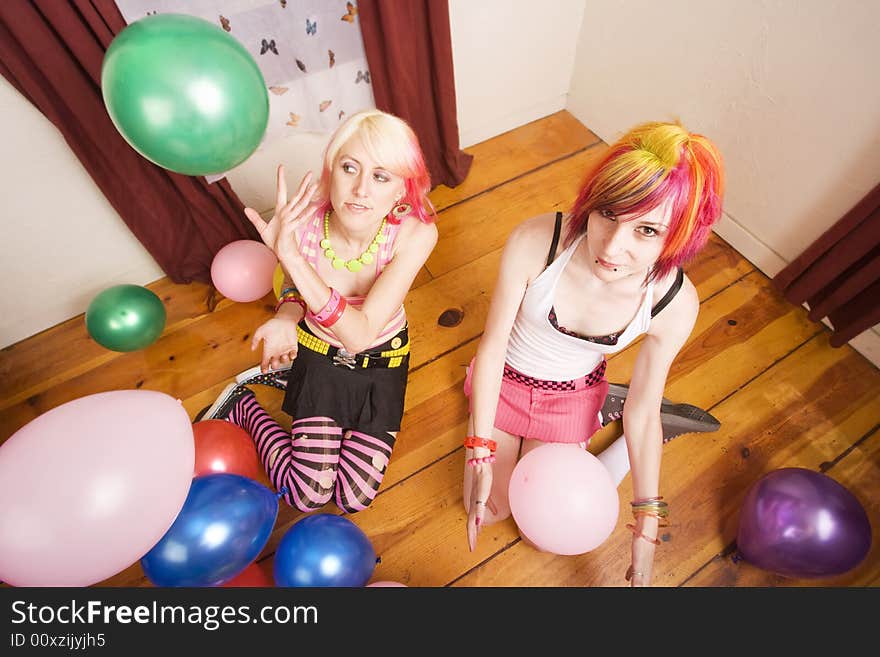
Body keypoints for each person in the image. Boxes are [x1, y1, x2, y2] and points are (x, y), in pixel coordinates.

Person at [462, 121, 724, 587]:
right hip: (503, 380)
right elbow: (492, 346)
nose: (612, 246)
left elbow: (644, 412)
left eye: (646, 230)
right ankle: (609, 419)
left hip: (571, 399)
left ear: (679, 237)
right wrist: (480, 448)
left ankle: (630, 439)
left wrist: (646, 523)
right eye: (608, 213)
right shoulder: (538, 242)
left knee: (545, 534)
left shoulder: (673, 302)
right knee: (492, 510)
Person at [203, 109, 438, 514]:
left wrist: (289, 257)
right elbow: (296, 288)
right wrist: (285, 318)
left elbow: (360, 334)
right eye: (350, 167)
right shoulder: (305, 221)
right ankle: (244, 405)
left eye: (381, 176)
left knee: (354, 498)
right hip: (319, 359)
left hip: (380, 365)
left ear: (402, 189)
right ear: (332, 168)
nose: (361, 189)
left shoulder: (417, 233)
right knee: (307, 494)